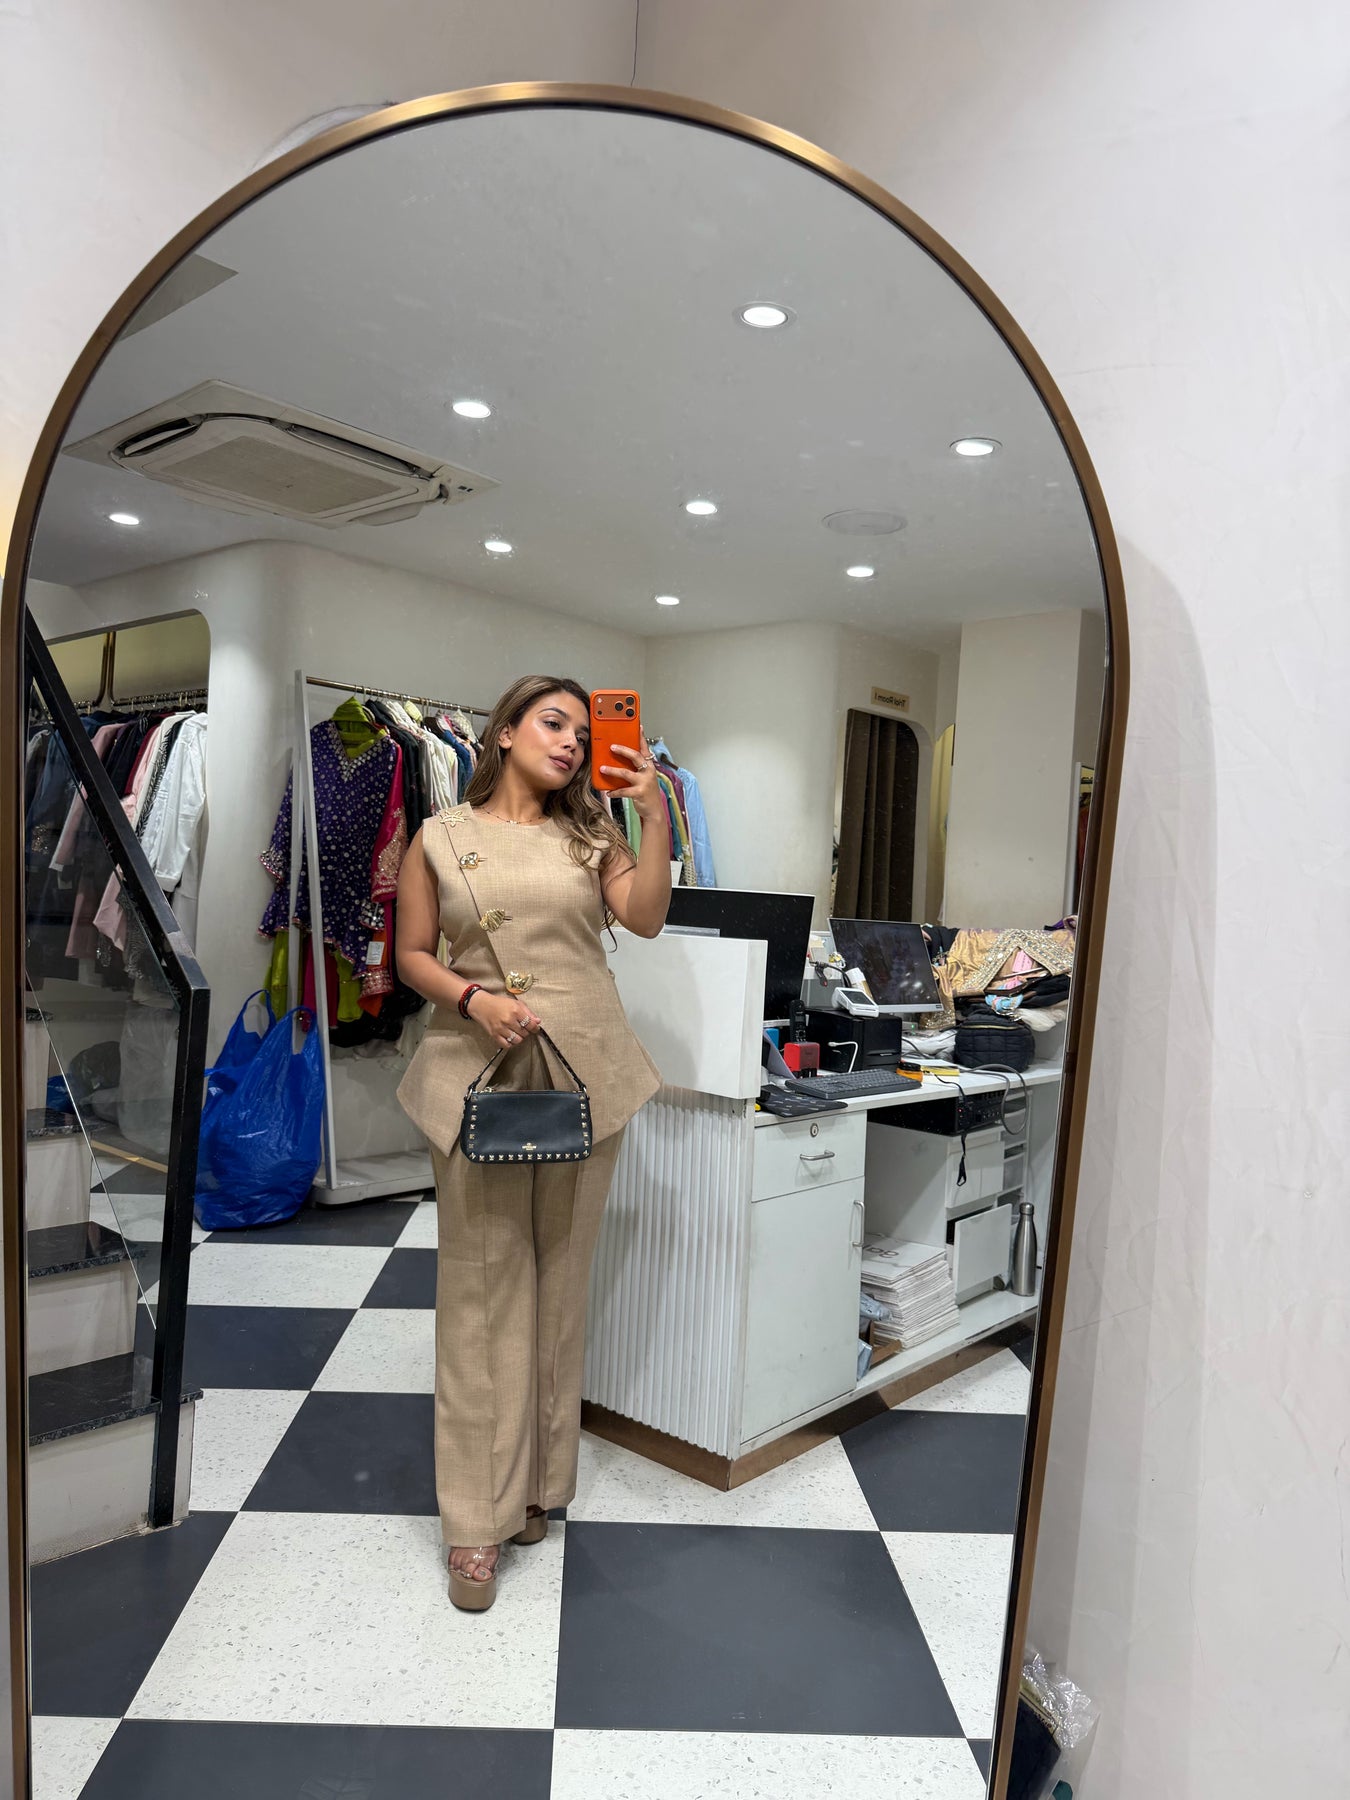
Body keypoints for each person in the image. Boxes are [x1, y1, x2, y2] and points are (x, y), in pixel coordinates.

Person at [395, 675, 669, 1610]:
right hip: (480, 1075)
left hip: (588, 1075)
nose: (570, 743)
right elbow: (413, 956)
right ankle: (476, 1518)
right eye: (553, 724)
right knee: (482, 1294)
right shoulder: (441, 835)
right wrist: (475, 998)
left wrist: (651, 813)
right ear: (505, 731)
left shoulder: (592, 836)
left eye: (582, 734)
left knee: (560, 1288)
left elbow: (645, 918)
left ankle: (537, 1490)